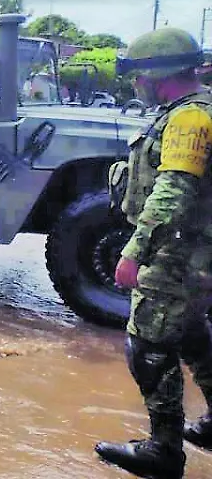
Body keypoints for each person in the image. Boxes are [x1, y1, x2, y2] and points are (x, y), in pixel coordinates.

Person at [95, 27, 212, 479]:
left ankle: (163, 451)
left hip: (178, 253)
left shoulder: (188, 119)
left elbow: (173, 190)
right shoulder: (189, 112)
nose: (135, 85)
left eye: (138, 75)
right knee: (192, 334)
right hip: (195, 251)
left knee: (148, 345)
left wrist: (135, 251)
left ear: (157, 74)